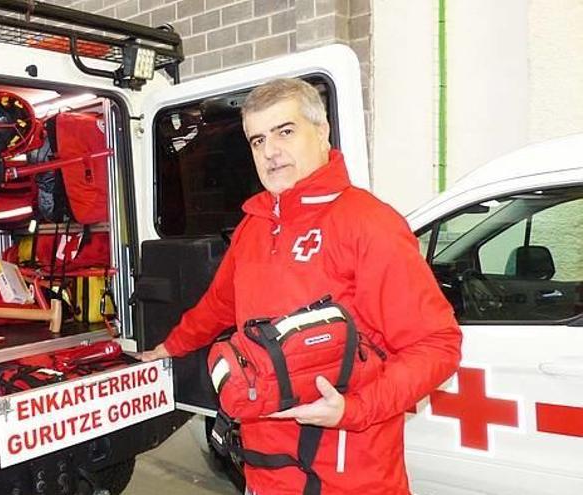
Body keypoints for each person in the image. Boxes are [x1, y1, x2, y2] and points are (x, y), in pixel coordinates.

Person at [142, 78, 462, 495]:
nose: (270, 151)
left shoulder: (369, 225)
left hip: (351, 477)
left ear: (322, 131)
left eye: (285, 131)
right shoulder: (252, 229)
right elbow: (219, 305)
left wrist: (353, 408)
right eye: (257, 140)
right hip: (264, 470)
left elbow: (438, 345)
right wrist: (170, 348)